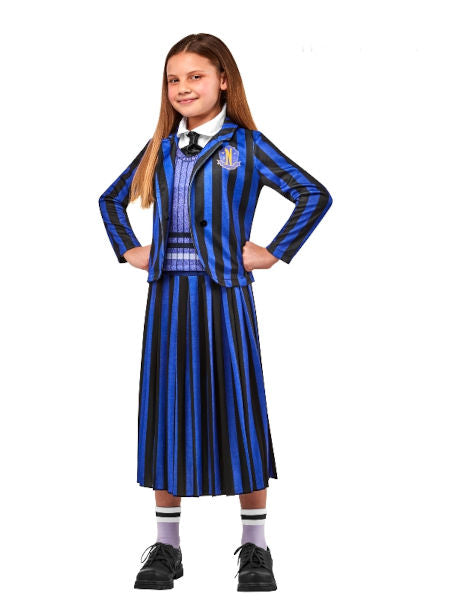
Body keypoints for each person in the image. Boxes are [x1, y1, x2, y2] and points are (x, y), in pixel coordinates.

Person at [98, 33, 333, 592]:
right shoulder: (160, 147)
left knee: (239, 405)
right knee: (167, 408)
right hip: (168, 297)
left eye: (195, 76)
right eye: (173, 80)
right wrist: (128, 248)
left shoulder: (244, 146)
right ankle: (167, 546)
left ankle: (256, 547)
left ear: (223, 80)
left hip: (225, 294)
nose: (183, 88)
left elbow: (312, 194)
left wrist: (272, 251)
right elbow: (110, 200)